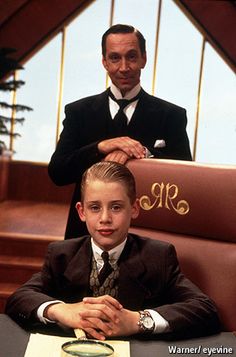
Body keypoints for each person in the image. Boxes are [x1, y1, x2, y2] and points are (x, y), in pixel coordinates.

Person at [6, 161, 220, 340]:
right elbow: (19, 299)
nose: (105, 218)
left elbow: (204, 309)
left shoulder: (158, 256)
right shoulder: (62, 254)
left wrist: (139, 321)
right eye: (95, 207)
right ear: (81, 212)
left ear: (134, 209)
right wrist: (60, 310)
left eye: (116, 207)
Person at [48, 24, 193, 239]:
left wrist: (139, 153)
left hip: (147, 233)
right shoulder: (78, 112)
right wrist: (100, 147)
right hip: (84, 236)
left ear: (144, 59)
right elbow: (58, 172)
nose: (124, 67)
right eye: (115, 58)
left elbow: (185, 173)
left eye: (132, 57)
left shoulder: (172, 115)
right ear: (104, 62)